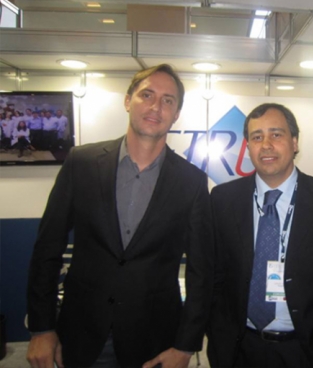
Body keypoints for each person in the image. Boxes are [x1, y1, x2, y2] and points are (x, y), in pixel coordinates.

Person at [26, 64, 214, 368]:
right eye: (147, 95)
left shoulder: (191, 181)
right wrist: (41, 328)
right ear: (128, 101)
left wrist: (186, 346)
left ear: (176, 114)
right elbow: (48, 248)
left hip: (154, 341)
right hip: (81, 333)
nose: (156, 106)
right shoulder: (81, 163)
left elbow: (201, 272)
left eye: (167, 100)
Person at [207, 103, 313, 367]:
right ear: (248, 146)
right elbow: (213, 276)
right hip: (239, 350)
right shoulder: (223, 200)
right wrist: (217, 334)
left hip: (309, 352)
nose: (266, 145)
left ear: (295, 142)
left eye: (276, 134)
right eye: (257, 137)